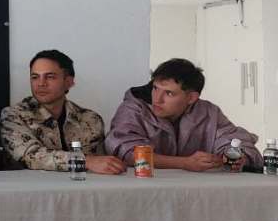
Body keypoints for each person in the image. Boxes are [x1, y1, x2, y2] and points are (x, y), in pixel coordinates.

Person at [105, 58, 262, 171]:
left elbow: (238, 142)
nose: (157, 99)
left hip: (198, 192)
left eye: (169, 93)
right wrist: (184, 163)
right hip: (144, 190)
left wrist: (233, 157)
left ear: (191, 98)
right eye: (155, 88)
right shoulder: (133, 109)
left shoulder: (209, 112)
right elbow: (125, 151)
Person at [1, 50, 126, 174]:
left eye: (50, 77)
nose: (41, 84)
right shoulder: (14, 115)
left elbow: (101, 165)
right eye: (35, 77)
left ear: (69, 82)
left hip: (81, 186)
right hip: (30, 186)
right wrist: (85, 161)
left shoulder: (90, 119)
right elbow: (30, 156)